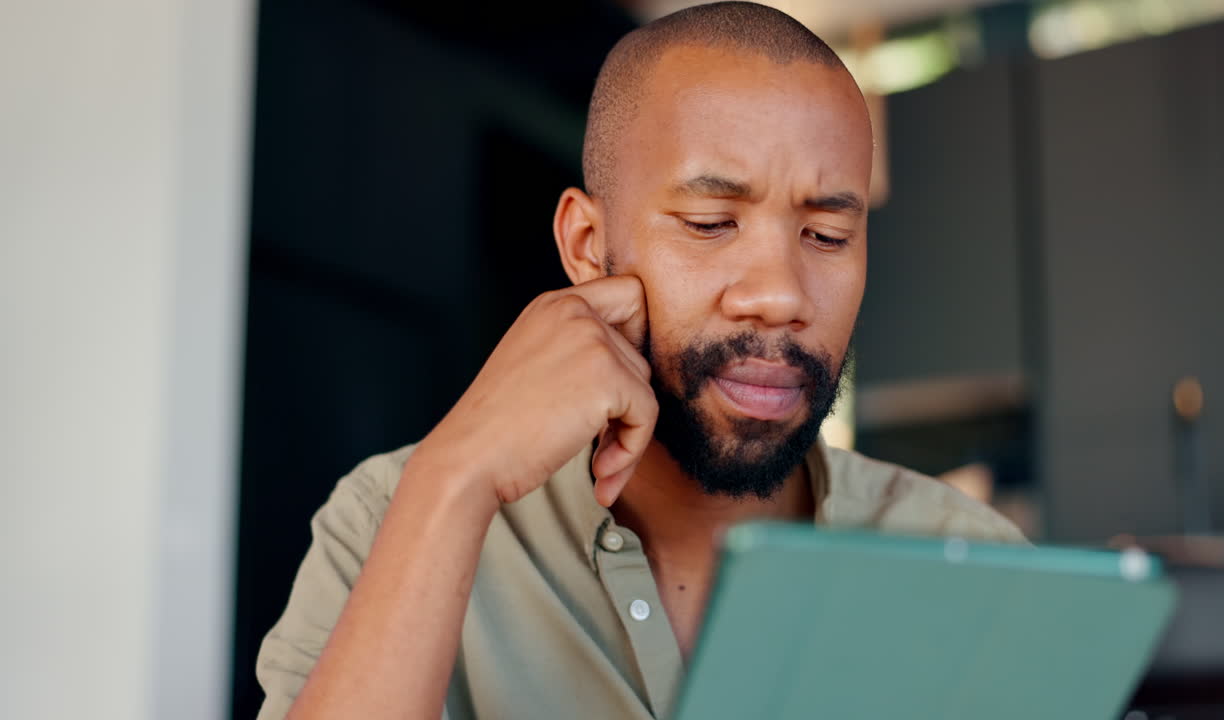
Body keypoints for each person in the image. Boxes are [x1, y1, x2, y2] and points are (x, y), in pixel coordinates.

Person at [256, 3, 1025, 718]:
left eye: (827, 237)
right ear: (588, 249)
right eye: (710, 223)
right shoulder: (388, 518)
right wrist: (457, 477)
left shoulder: (974, 566)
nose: (780, 296)